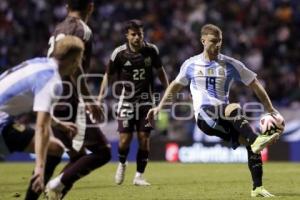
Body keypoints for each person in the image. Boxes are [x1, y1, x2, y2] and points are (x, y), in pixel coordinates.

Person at [147, 24, 284, 197]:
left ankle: (257, 188)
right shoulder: (190, 64)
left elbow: (255, 84)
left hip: (223, 118)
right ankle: (256, 139)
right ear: (203, 41)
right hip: (205, 116)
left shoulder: (231, 64)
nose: (217, 45)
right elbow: (174, 87)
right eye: (213, 41)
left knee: (250, 144)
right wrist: (159, 107)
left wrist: (270, 109)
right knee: (235, 108)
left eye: (220, 41)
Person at [25, 0, 111, 199]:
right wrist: (88, 100)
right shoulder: (82, 29)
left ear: (66, 7)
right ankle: (56, 185)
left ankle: (44, 193)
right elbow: (75, 66)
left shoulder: (59, 28)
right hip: (68, 98)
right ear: (91, 7)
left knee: (73, 156)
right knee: (102, 151)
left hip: (50, 95)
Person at [0, 36, 83, 195]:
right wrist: (39, 168)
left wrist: (59, 125)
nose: (78, 65)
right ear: (72, 59)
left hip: (4, 117)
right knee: (55, 148)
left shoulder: (39, 63)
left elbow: (39, 109)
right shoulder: (52, 81)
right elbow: (41, 127)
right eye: (78, 59)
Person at [98, 19, 169, 186]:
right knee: (124, 140)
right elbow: (107, 76)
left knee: (144, 138)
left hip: (147, 102)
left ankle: (139, 176)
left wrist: (168, 90)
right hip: (126, 102)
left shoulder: (151, 50)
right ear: (127, 36)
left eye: (140, 34)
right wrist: (100, 97)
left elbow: (160, 71)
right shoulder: (119, 54)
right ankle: (122, 164)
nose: (137, 37)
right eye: (134, 34)